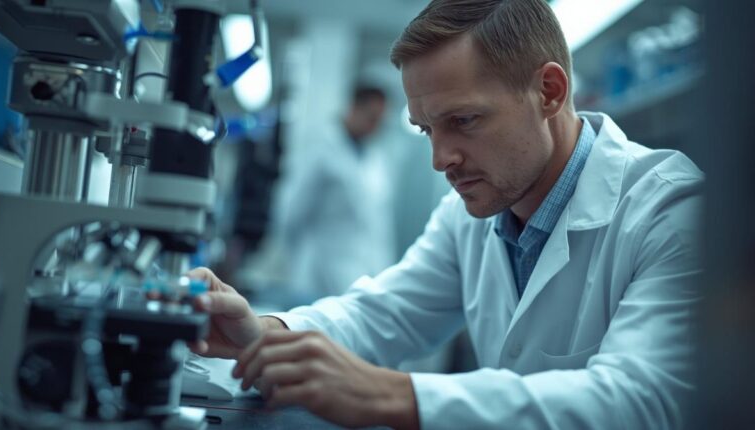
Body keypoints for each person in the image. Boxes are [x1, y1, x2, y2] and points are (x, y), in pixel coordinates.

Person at [187, 0, 703, 428]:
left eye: (464, 120)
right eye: (428, 129)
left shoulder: (670, 212)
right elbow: (384, 314)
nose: (441, 160)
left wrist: (394, 396)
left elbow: (642, 399)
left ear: (549, 91)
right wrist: (265, 330)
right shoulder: (466, 216)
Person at [273, 85, 395, 300]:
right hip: (317, 276)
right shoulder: (320, 148)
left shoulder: (375, 158)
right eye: (371, 117)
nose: (375, 127)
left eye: (380, 121)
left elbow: (378, 225)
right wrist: (295, 261)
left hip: (364, 275)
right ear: (353, 108)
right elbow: (291, 213)